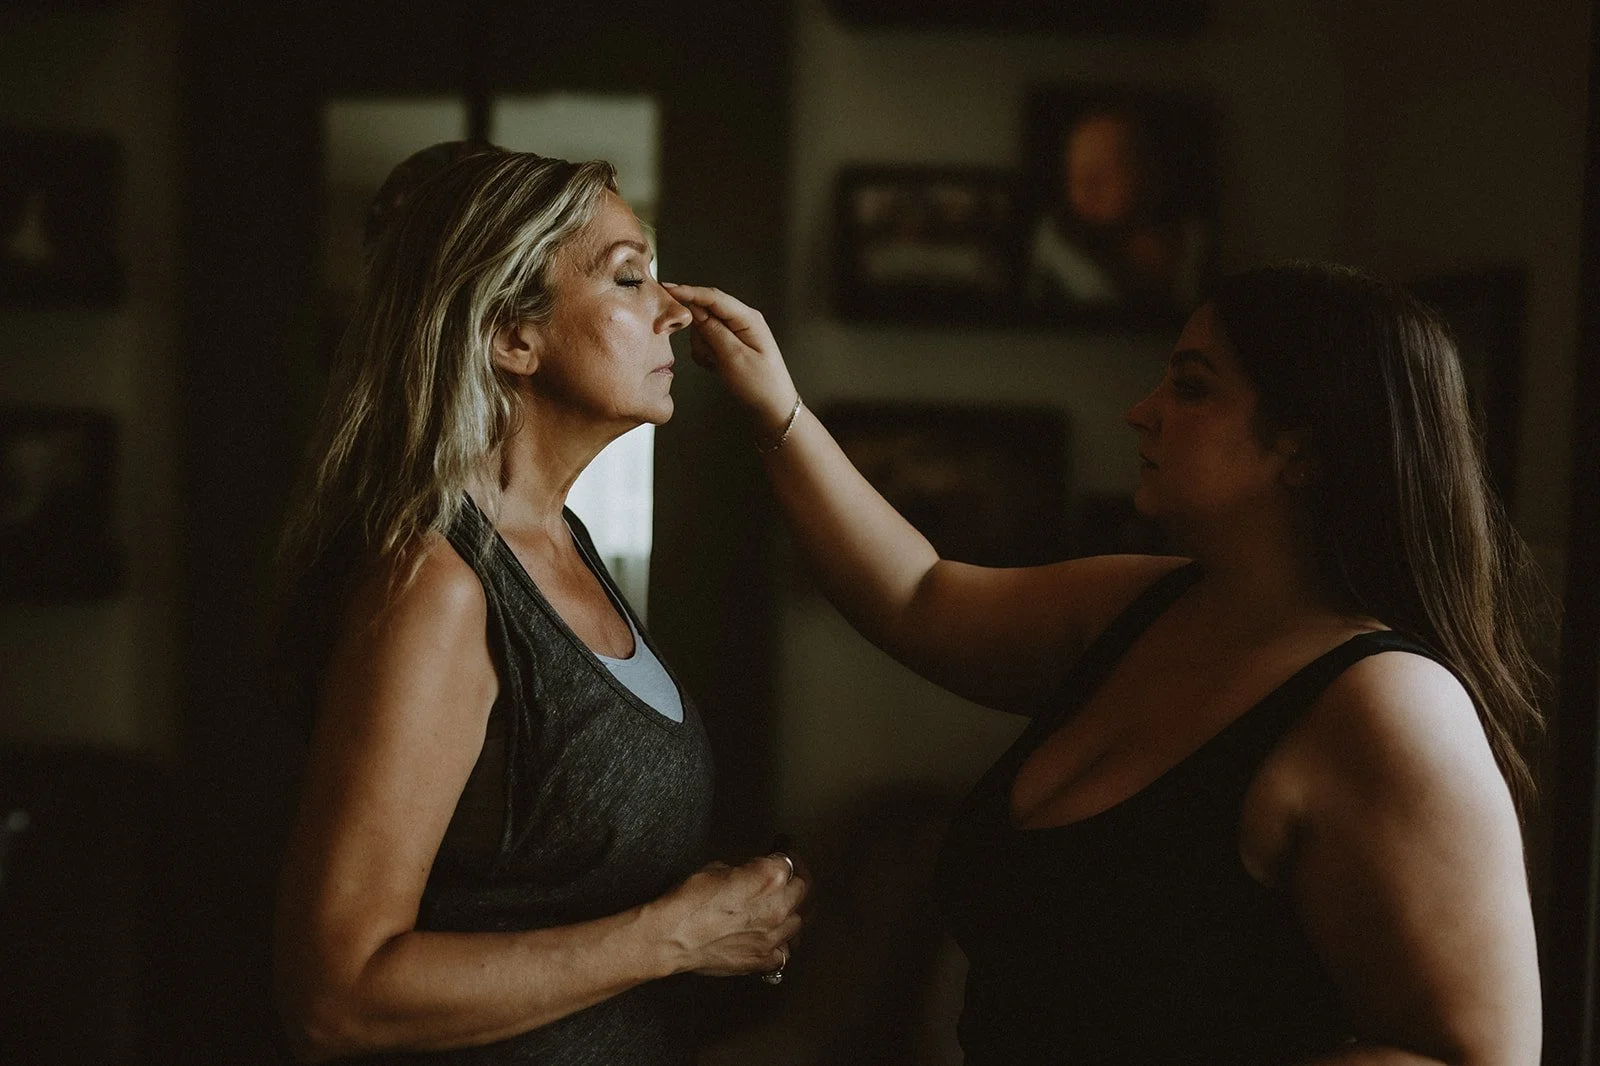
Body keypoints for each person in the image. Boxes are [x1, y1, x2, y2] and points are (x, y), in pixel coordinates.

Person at [664, 262, 1544, 1065]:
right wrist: (774, 407)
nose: (1143, 408)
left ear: (1303, 447)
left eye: (1191, 387)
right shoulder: (1143, 606)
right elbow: (916, 596)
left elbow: (1473, 1057)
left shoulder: (1387, 705)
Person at [270, 143, 806, 1065]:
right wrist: (677, 936)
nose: (675, 309)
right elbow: (336, 994)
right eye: (630, 277)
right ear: (511, 337)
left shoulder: (564, 548)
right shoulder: (435, 587)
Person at [1026, 106, 1206, 316]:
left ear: (1151, 175)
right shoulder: (1055, 243)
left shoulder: (1194, 244)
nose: (1086, 187)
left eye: (1105, 173)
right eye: (1075, 175)